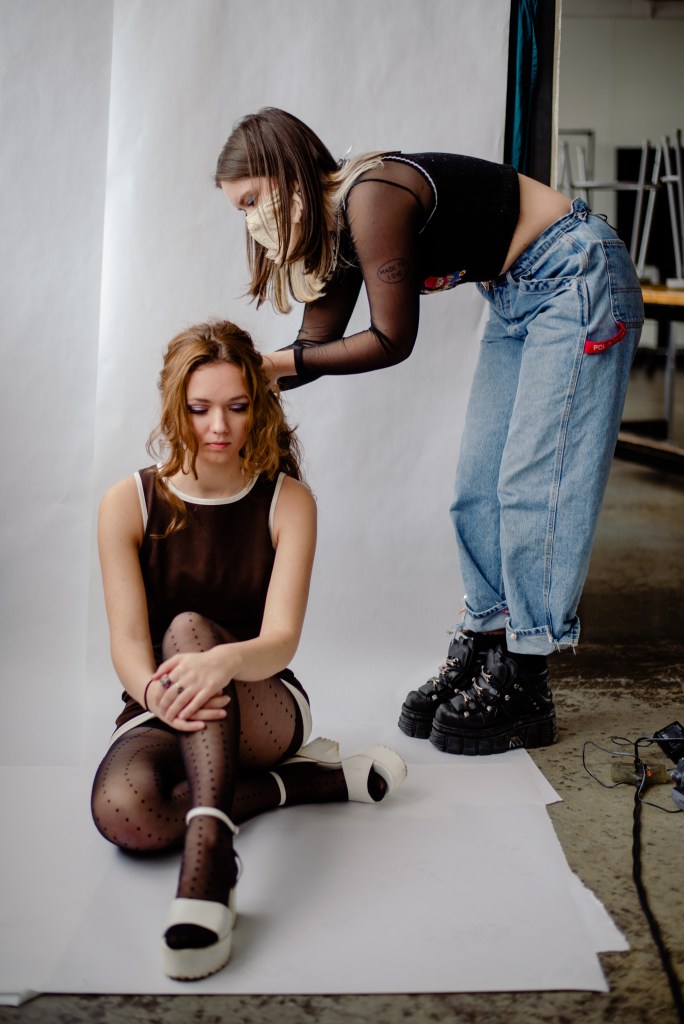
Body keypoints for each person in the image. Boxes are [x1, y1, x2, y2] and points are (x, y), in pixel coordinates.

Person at [214, 107, 645, 756]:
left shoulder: (371, 197)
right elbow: (311, 349)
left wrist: (273, 366)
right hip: (515, 292)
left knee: (534, 483)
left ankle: (526, 672)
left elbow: (391, 339)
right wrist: (239, 380)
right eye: (238, 211)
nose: (250, 221)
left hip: (575, 273)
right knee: (476, 489)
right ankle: (488, 640)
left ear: (284, 172)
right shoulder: (335, 231)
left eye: (251, 200)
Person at [90, 319, 407, 982]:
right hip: (165, 702)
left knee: (187, 628)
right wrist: (152, 694)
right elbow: (126, 643)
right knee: (127, 815)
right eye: (199, 409)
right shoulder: (127, 503)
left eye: (237, 407)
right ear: (173, 406)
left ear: (258, 405)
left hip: (265, 699)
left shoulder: (289, 502)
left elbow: (280, 640)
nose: (219, 427)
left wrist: (221, 662)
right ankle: (310, 783)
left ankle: (210, 862)